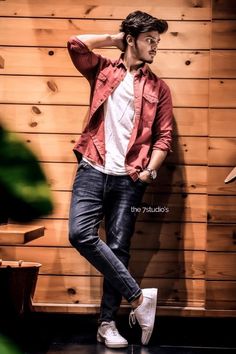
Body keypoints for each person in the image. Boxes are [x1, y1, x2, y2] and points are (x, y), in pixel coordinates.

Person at [67, 10, 173, 349]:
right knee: (79, 234)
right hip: (93, 166)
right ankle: (140, 298)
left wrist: (148, 172)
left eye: (158, 41)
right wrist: (117, 38)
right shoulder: (102, 70)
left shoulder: (159, 87)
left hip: (129, 177)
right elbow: (75, 44)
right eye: (149, 40)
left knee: (118, 248)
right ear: (132, 40)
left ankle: (108, 323)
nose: (155, 46)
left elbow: (164, 137)